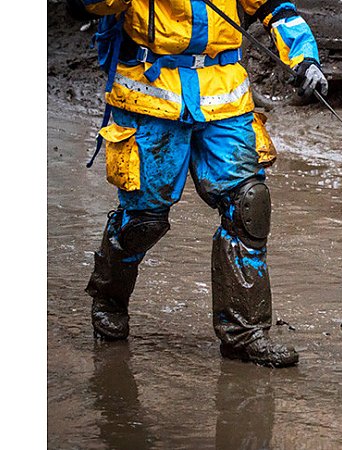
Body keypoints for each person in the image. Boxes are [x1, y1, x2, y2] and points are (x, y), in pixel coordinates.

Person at [75, 0, 328, 367]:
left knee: (249, 205)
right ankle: (109, 297)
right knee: (144, 219)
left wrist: (305, 59)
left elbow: (277, 9)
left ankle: (244, 333)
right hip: (151, 95)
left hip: (223, 96)